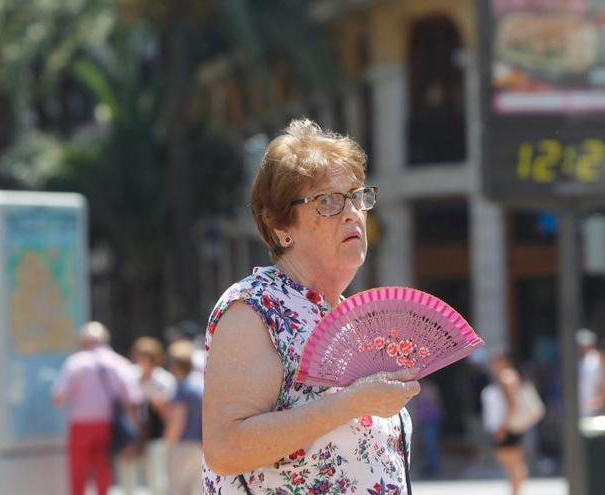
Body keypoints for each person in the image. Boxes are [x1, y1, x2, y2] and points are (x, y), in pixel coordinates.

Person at [202, 119, 420, 494]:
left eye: (357, 196)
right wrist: (352, 403)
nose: (353, 212)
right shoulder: (255, 307)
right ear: (280, 225)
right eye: (329, 202)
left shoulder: (351, 318)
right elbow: (225, 447)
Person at [53, 321, 141, 495]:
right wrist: (133, 428)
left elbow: (59, 398)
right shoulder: (118, 362)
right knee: (103, 469)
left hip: (80, 425)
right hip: (107, 424)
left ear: (83, 341)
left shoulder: (75, 362)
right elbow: (132, 398)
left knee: (78, 471)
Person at [117, 337, 177, 495]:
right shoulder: (130, 377)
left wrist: (159, 406)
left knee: (156, 481)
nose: (141, 361)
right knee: (128, 480)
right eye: (139, 356)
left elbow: (170, 415)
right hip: (132, 436)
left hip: (155, 435)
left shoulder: (164, 380)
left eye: (145, 357)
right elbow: (124, 405)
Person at [481, 353, 542, 495]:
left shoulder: (507, 377)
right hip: (508, 426)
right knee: (514, 463)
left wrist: (503, 427)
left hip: (506, 427)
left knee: (513, 464)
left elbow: (512, 404)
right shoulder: (508, 376)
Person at [165, 340, 204, 495]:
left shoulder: (182, 389)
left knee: (177, 489)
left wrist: (167, 443)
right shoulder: (199, 385)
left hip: (182, 446)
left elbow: (177, 422)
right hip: (200, 446)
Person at [412, 379, 444, 477]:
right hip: (423, 420)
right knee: (425, 444)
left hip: (431, 420)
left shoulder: (429, 388)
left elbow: (434, 401)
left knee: (431, 444)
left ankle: (433, 467)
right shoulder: (417, 388)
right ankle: (428, 466)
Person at [576, 328, 603, 417]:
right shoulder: (580, 361)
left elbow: (602, 384)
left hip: (595, 406)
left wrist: (596, 402)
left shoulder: (597, 359)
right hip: (582, 406)